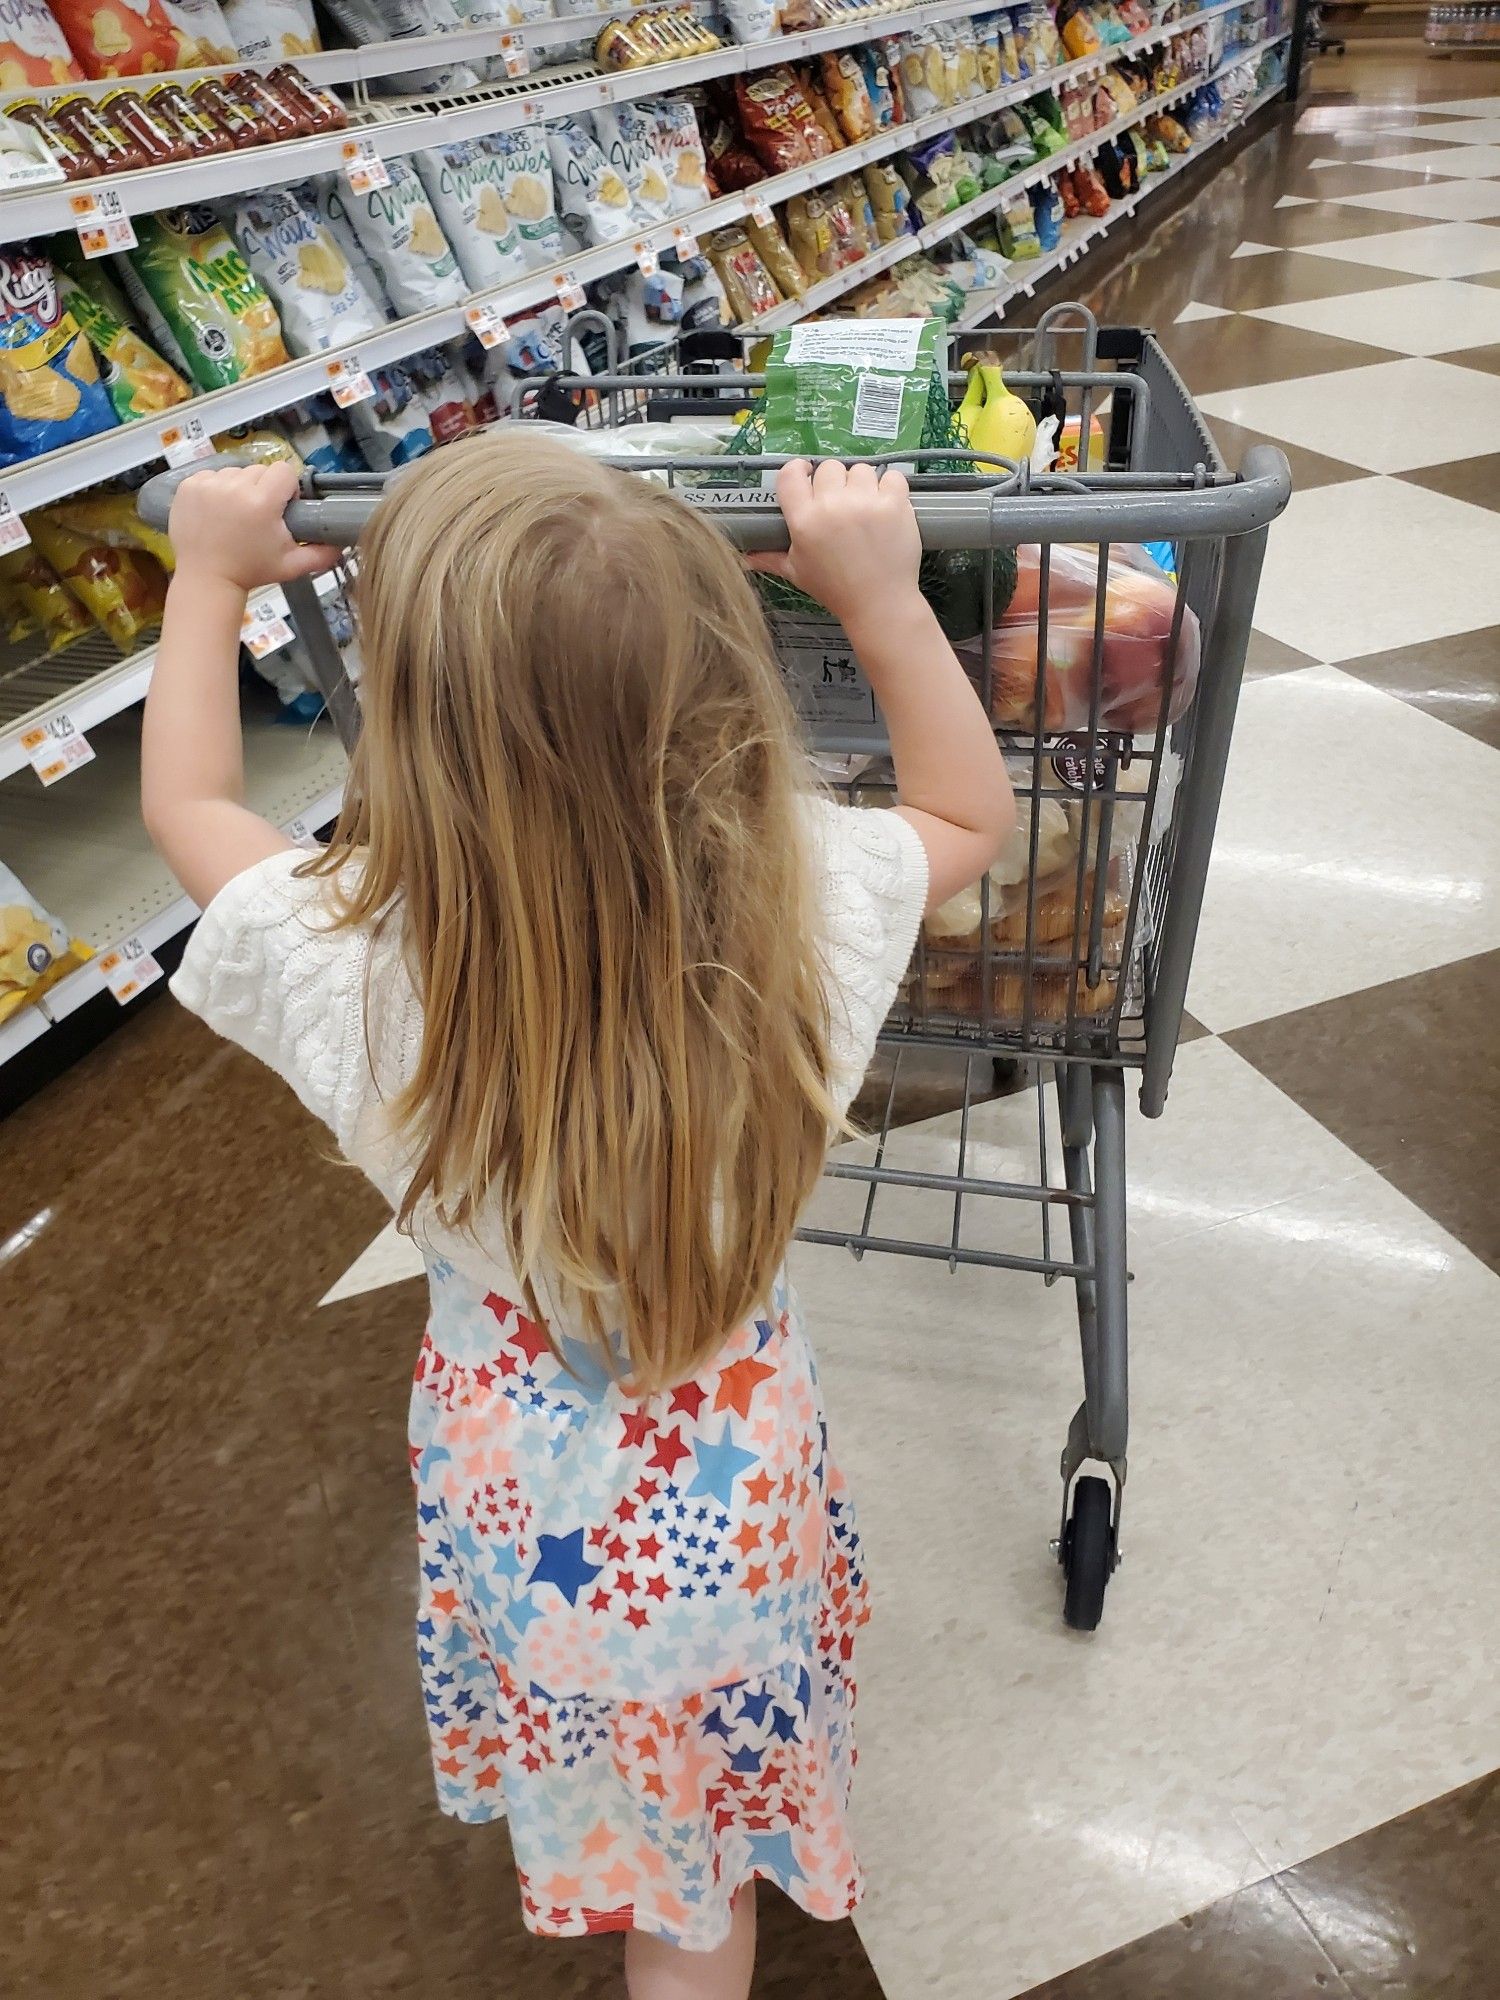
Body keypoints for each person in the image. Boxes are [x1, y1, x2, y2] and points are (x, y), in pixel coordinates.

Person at [142, 435, 1013, 2000]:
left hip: (521, 1499)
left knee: (618, 1795)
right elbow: (965, 807)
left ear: (411, 732)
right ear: (734, 699)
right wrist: (883, 604)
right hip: (741, 1489)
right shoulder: (805, 908)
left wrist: (207, 576)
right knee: (703, 1902)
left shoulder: (355, 969)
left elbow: (191, 799)